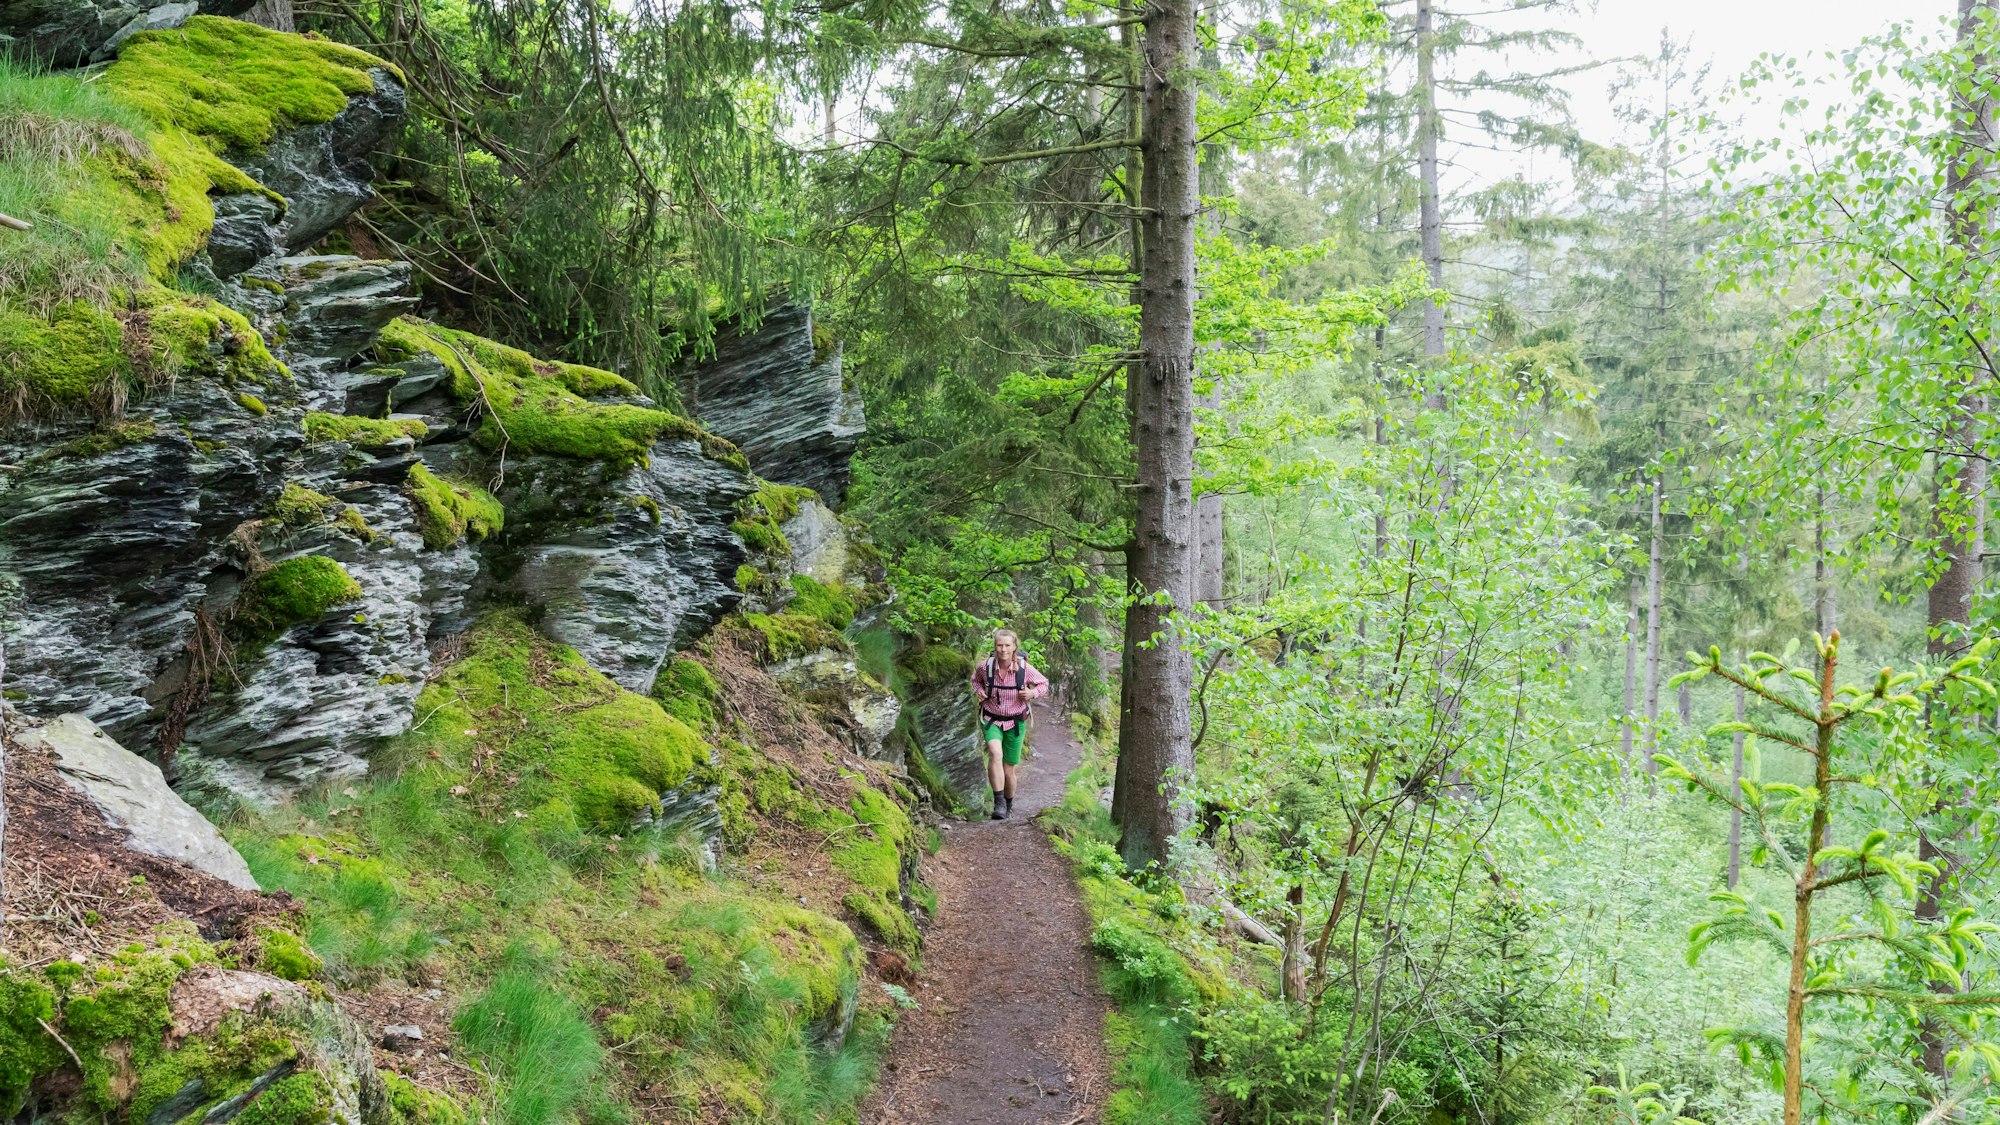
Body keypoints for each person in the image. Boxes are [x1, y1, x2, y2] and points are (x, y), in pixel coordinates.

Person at [969, 629, 1049, 820]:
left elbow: (1044, 684)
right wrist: (979, 691)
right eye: (999, 645)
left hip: (1015, 722)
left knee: (1009, 770)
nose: (1003, 649)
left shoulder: (1024, 669)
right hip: (991, 719)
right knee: (995, 754)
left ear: (1014, 647)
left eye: (1007, 645)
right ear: (995, 647)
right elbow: (975, 681)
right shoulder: (985, 667)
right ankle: (998, 803)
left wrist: (1032, 694)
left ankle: (1008, 801)